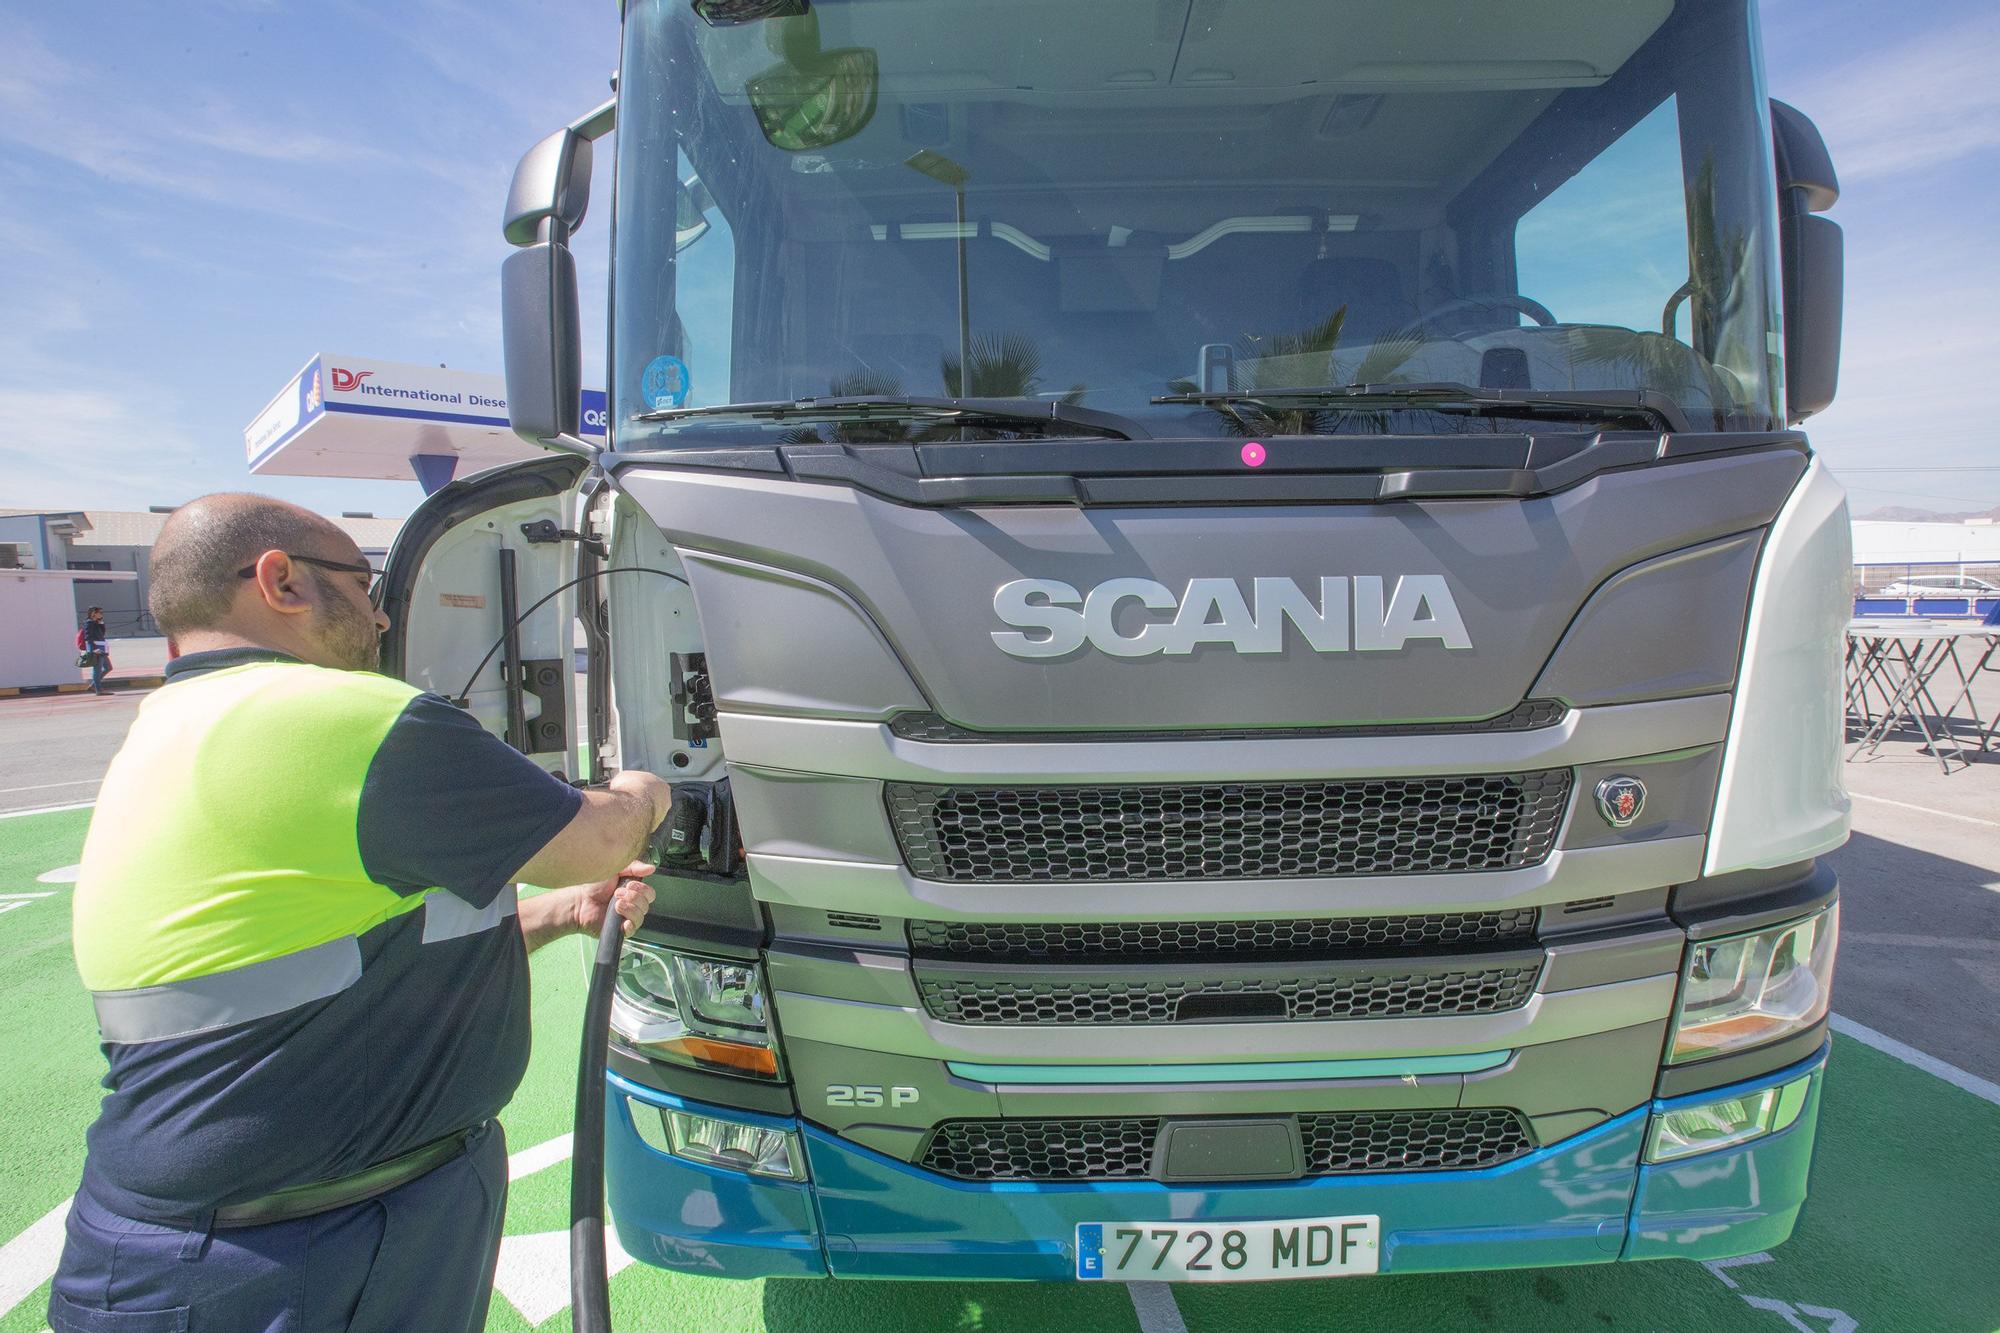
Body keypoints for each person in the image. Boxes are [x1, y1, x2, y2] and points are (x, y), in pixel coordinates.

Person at [48, 493, 675, 1333]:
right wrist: (649, 787)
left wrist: (560, 912)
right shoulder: (346, 716)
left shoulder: (173, 726)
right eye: (363, 580)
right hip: (296, 1255)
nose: (381, 613)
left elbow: (324, 958)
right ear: (281, 582)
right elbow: (598, 835)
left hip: (213, 1243)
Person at [76, 606, 111, 695]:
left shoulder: (96, 622)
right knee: (97, 670)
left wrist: (101, 622)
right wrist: (93, 649)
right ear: (93, 614)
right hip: (96, 649)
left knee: (108, 667)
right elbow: (88, 637)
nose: (101, 614)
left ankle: (93, 685)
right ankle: (99, 690)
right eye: (100, 612)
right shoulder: (89, 623)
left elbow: (102, 633)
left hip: (101, 648)